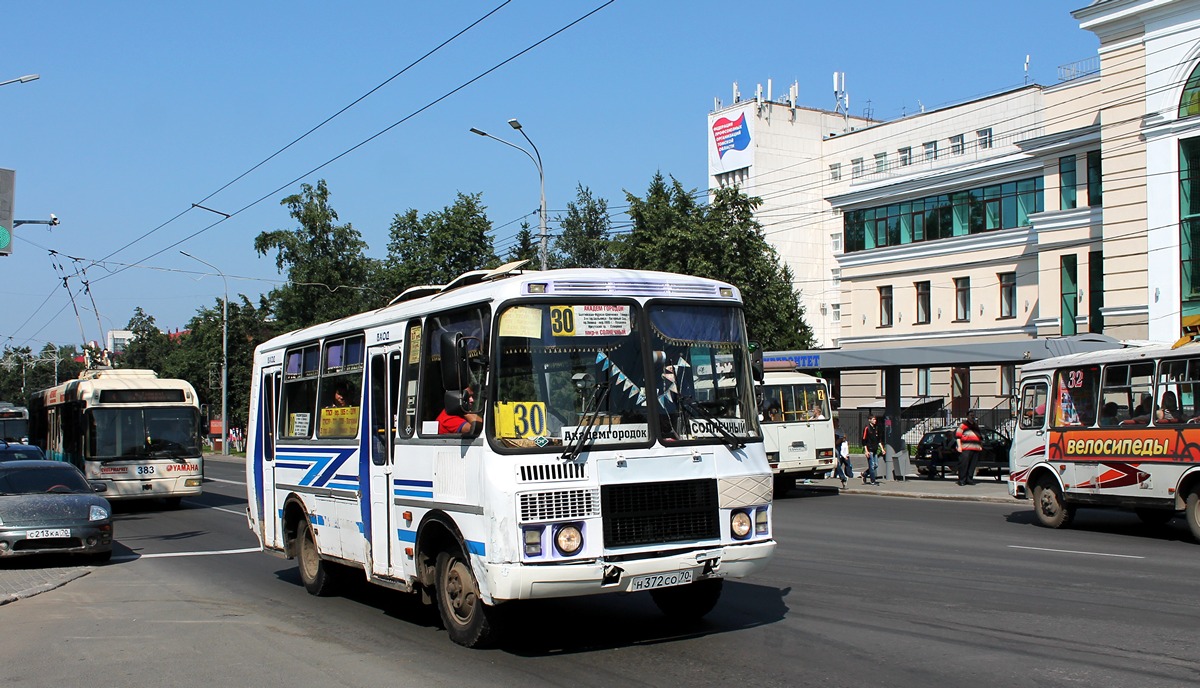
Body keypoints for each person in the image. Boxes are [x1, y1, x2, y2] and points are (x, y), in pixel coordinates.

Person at [955, 415, 983, 486]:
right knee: (963, 464)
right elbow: (958, 436)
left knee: (972, 465)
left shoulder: (976, 426)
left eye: (973, 415)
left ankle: (969, 479)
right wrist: (959, 446)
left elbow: (980, 437)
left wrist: (980, 445)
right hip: (965, 448)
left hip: (975, 447)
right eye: (971, 415)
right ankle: (962, 480)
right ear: (967, 416)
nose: (972, 417)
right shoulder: (963, 425)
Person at [861, 415, 882, 486]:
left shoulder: (876, 428)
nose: (875, 421)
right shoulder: (867, 428)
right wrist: (866, 451)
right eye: (873, 419)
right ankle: (873, 481)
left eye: (875, 419)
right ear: (869, 420)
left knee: (876, 465)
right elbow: (863, 440)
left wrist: (882, 449)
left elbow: (878, 440)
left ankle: (865, 474)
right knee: (872, 465)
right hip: (869, 449)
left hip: (875, 449)